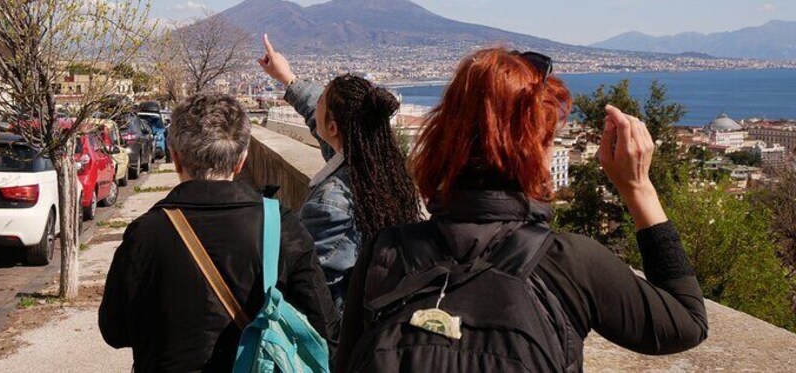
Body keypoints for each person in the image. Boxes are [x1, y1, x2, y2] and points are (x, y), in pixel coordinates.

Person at [336, 47, 708, 372]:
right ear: (532, 149)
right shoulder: (568, 263)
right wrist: (637, 187)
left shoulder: (386, 251)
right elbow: (687, 321)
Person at [98, 93, 339, 372]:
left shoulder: (145, 233)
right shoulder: (281, 228)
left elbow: (114, 331)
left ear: (175, 158)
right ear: (241, 160)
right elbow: (324, 326)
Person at [258, 34, 422, 312]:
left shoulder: (331, 203)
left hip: (342, 336)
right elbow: (317, 115)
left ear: (333, 129)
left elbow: (302, 279)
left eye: (323, 98)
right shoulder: (377, 167)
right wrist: (288, 79)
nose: (317, 102)